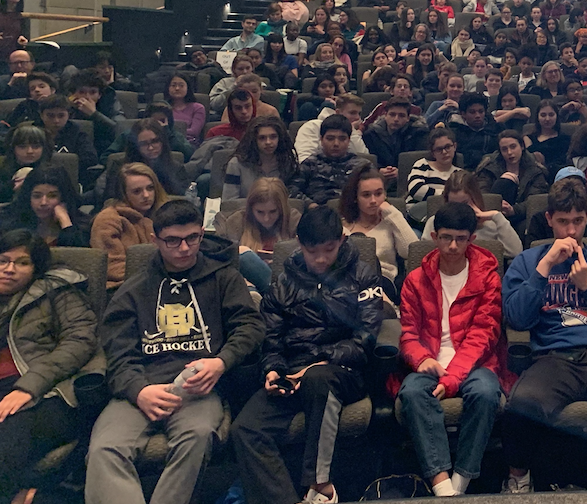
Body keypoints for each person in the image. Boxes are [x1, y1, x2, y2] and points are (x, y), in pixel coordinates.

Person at [87, 200, 265, 504]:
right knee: (105, 448)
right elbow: (117, 352)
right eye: (172, 240)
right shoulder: (133, 289)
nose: (184, 248)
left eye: (192, 238)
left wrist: (222, 362)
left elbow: (250, 326)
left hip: (197, 388)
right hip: (140, 388)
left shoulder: (223, 277)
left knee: (196, 437)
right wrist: (138, 389)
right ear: (156, 241)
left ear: (201, 234)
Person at [231, 206, 382, 504]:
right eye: (313, 252)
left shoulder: (363, 275)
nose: (322, 259)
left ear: (341, 241)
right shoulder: (284, 281)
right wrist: (273, 370)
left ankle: (321, 484)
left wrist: (321, 359)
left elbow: (366, 338)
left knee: (318, 378)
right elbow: (271, 339)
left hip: (341, 370)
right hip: (292, 372)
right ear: (301, 245)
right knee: (245, 429)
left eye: (329, 249)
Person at [500, 182, 587, 493]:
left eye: (578, 221)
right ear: (549, 219)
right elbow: (517, 318)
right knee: (523, 403)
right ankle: (518, 481)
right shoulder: (527, 262)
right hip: (553, 356)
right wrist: (545, 268)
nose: (571, 231)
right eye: (563, 221)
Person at [396, 202, 510, 497]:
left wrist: (451, 380)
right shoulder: (415, 280)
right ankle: (441, 483)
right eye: (446, 237)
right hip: (430, 362)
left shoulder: (487, 277)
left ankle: (460, 482)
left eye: (461, 238)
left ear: (472, 239)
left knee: (486, 393)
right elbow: (408, 333)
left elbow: (484, 335)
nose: (453, 246)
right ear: (434, 237)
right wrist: (420, 358)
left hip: (476, 363)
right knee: (410, 392)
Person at [0, 229, 99, 504]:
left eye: (21, 262)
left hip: (50, 394)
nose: (9, 269)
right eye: (3, 260)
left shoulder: (58, 290)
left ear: (36, 267)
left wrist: (29, 387)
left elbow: (80, 342)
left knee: (6, 441)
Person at [339, 163, 415, 304]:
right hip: (348, 287)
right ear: (355, 198)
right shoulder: (343, 227)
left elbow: (411, 251)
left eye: (378, 194)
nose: (373, 201)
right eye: (366, 195)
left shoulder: (390, 222)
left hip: (384, 284)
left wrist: (393, 213)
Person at [90, 163, 165, 290]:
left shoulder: (162, 214)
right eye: (137, 191)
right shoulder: (109, 219)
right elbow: (112, 267)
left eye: (150, 188)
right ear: (123, 194)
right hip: (122, 289)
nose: (146, 195)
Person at [422, 170, 524, 259]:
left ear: (475, 199)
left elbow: (515, 252)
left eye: (465, 203)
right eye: (453, 204)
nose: (459, 210)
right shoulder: (434, 223)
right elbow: (424, 257)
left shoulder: (492, 225)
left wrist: (496, 216)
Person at [0, 164, 90, 246]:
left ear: (64, 197)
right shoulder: (8, 225)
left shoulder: (84, 226)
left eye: (52, 196)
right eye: (37, 196)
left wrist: (65, 222)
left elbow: (80, 259)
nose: (43, 203)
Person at [290, 114, 366, 209]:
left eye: (342, 139)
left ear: (349, 140)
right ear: (321, 139)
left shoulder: (362, 166)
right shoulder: (309, 164)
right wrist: (310, 204)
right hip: (317, 214)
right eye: (330, 138)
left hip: (354, 214)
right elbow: (291, 191)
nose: (336, 144)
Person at [474, 129, 547, 227]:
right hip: (492, 215)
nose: (509, 152)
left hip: (522, 218)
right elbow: (483, 194)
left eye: (513, 147)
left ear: (522, 146)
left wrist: (514, 210)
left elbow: (534, 200)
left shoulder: (535, 171)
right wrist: (497, 203)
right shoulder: (489, 169)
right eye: (504, 149)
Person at [363, 99, 428, 185]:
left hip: (409, 181)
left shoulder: (419, 133)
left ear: (408, 118)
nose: (396, 119)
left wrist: (402, 172)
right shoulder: (371, 134)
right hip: (379, 180)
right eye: (392, 114)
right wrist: (378, 170)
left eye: (401, 115)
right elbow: (367, 160)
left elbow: (421, 161)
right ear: (385, 115)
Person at [294, 94, 367, 162]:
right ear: (338, 113)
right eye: (352, 113)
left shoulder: (352, 131)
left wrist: (351, 130)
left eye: (359, 114)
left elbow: (364, 158)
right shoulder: (312, 126)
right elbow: (305, 160)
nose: (358, 117)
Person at [407, 128, 461, 202]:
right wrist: (447, 195)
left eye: (447, 147)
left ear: (454, 146)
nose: (444, 152)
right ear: (433, 153)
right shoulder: (422, 165)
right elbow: (416, 190)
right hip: (420, 208)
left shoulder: (460, 174)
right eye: (439, 149)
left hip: (448, 211)